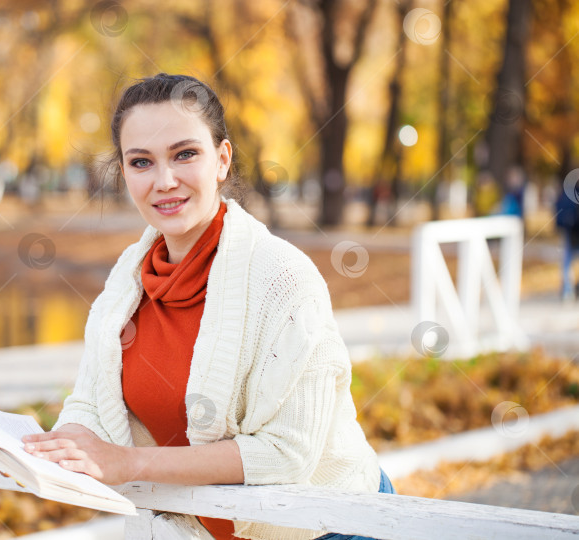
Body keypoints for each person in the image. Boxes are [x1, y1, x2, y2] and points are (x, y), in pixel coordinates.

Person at [22, 73, 393, 539]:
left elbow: (287, 453)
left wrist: (131, 462)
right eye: (141, 162)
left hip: (329, 528)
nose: (164, 181)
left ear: (222, 159)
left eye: (185, 154)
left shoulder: (284, 279)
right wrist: (56, 445)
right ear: (123, 172)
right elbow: (92, 402)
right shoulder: (127, 281)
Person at [555, 184, 579, 302]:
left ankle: (568, 290)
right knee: (567, 261)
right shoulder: (568, 194)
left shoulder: (567, 193)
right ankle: (567, 290)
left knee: (567, 261)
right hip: (571, 232)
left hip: (570, 231)